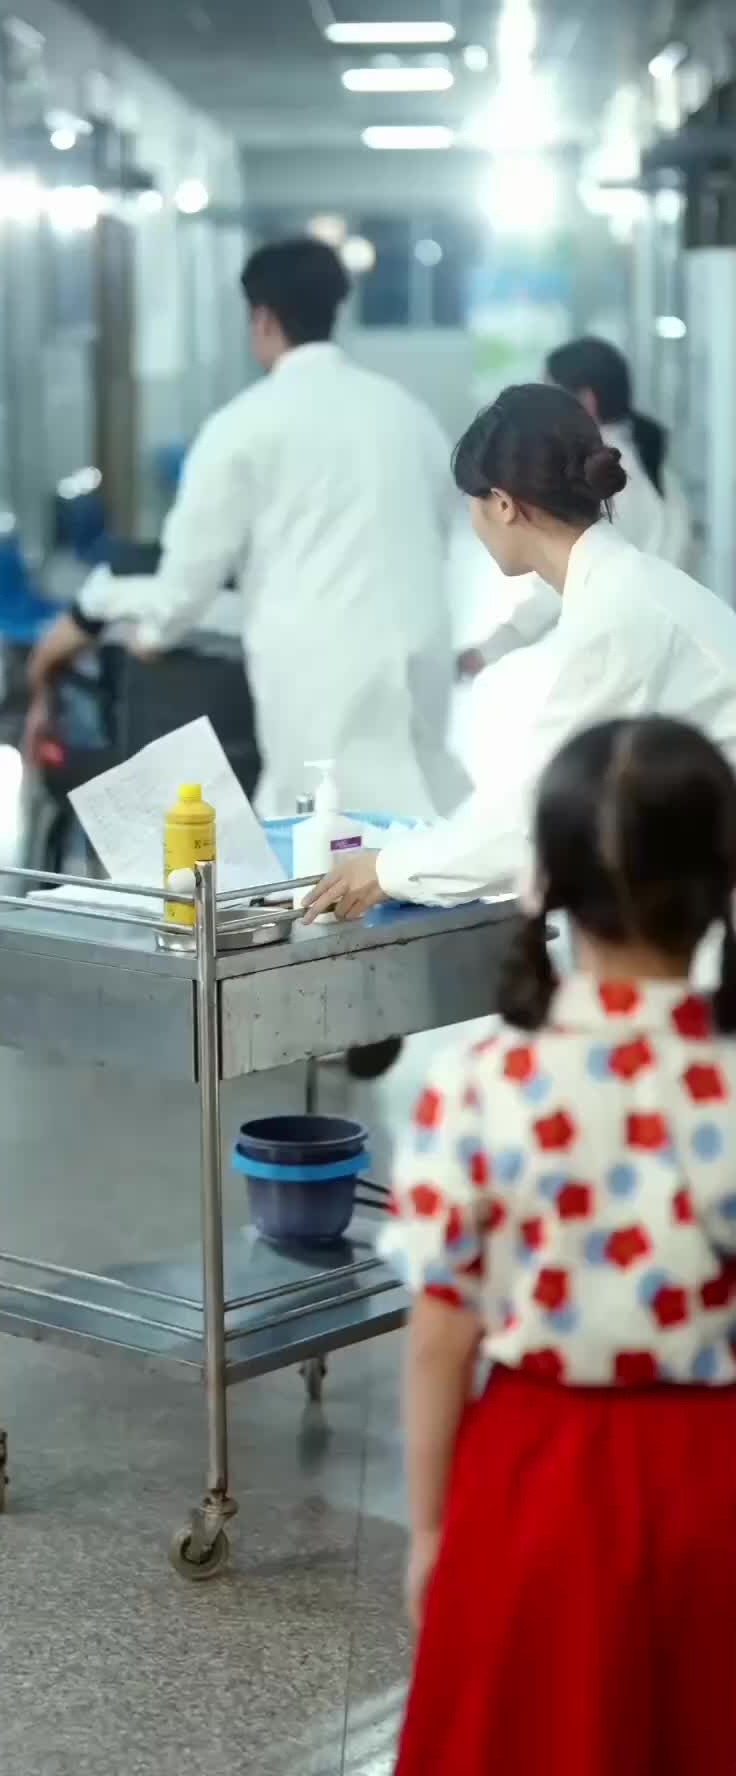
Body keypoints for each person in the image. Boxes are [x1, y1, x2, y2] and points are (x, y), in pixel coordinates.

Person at [386, 714, 736, 1776]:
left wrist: (429, 1533)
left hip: (535, 1481)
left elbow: (440, 1335)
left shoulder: (481, 1084)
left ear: (547, 881)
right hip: (714, 1482)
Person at [27, 236, 468, 821]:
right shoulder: (410, 415)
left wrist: (152, 630)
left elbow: (186, 585)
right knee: (412, 814)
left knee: (320, 830)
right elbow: (438, 534)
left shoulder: (241, 427)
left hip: (318, 668)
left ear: (262, 319)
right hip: (420, 650)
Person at [304, 382, 736, 920]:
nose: (471, 519)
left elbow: (536, 817)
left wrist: (386, 869)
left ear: (504, 504)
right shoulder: (625, 586)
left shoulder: (618, 616)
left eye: (472, 502)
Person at [458, 337, 693, 678]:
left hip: (643, 653)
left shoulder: (607, 476)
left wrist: (491, 648)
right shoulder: (650, 464)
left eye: (551, 393)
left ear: (586, 400)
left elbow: (567, 566)